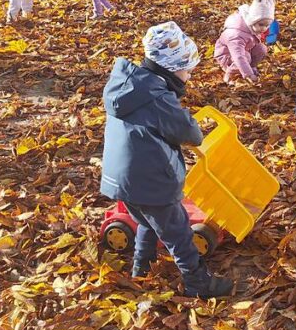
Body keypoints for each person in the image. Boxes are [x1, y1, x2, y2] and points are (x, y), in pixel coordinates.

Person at [100, 21, 233, 299]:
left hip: (122, 181)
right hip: (151, 181)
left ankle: (141, 267)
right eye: (187, 70)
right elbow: (190, 133)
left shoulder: (128, 86)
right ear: (171, 69)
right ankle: (198, 282)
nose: (188, 77)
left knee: (148, 222)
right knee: (179, 232)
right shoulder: (156, 98)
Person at [214, 0, 275, 82]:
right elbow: (238, 56)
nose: (264, 28)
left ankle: (250, 66)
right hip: (227, 55)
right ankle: (230, 72)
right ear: (253, 21)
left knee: (261, 49)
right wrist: (249, 75)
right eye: (261, 24)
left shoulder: (252, 28)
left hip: (245, 49)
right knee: (245, 56)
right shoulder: (236, 35)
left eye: (267, 25)